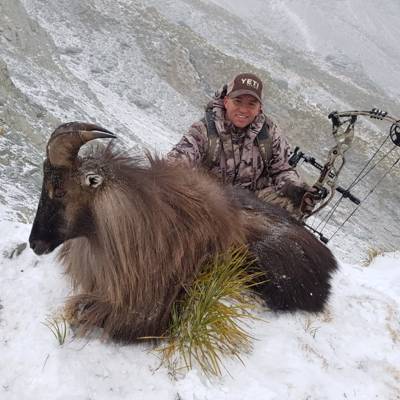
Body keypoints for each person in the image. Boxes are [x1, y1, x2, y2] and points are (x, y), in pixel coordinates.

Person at [167, 72, 316, 217]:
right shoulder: (204, 129)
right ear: (226, 101)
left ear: (259, 108)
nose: (244, 110)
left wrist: (296, 190)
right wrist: (170, 172)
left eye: (251, 104)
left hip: (253, 206)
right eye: (237, 101)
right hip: (210, 203)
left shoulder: (270, 133)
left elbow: (282, 169)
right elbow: (180, 157)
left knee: (291, 204)